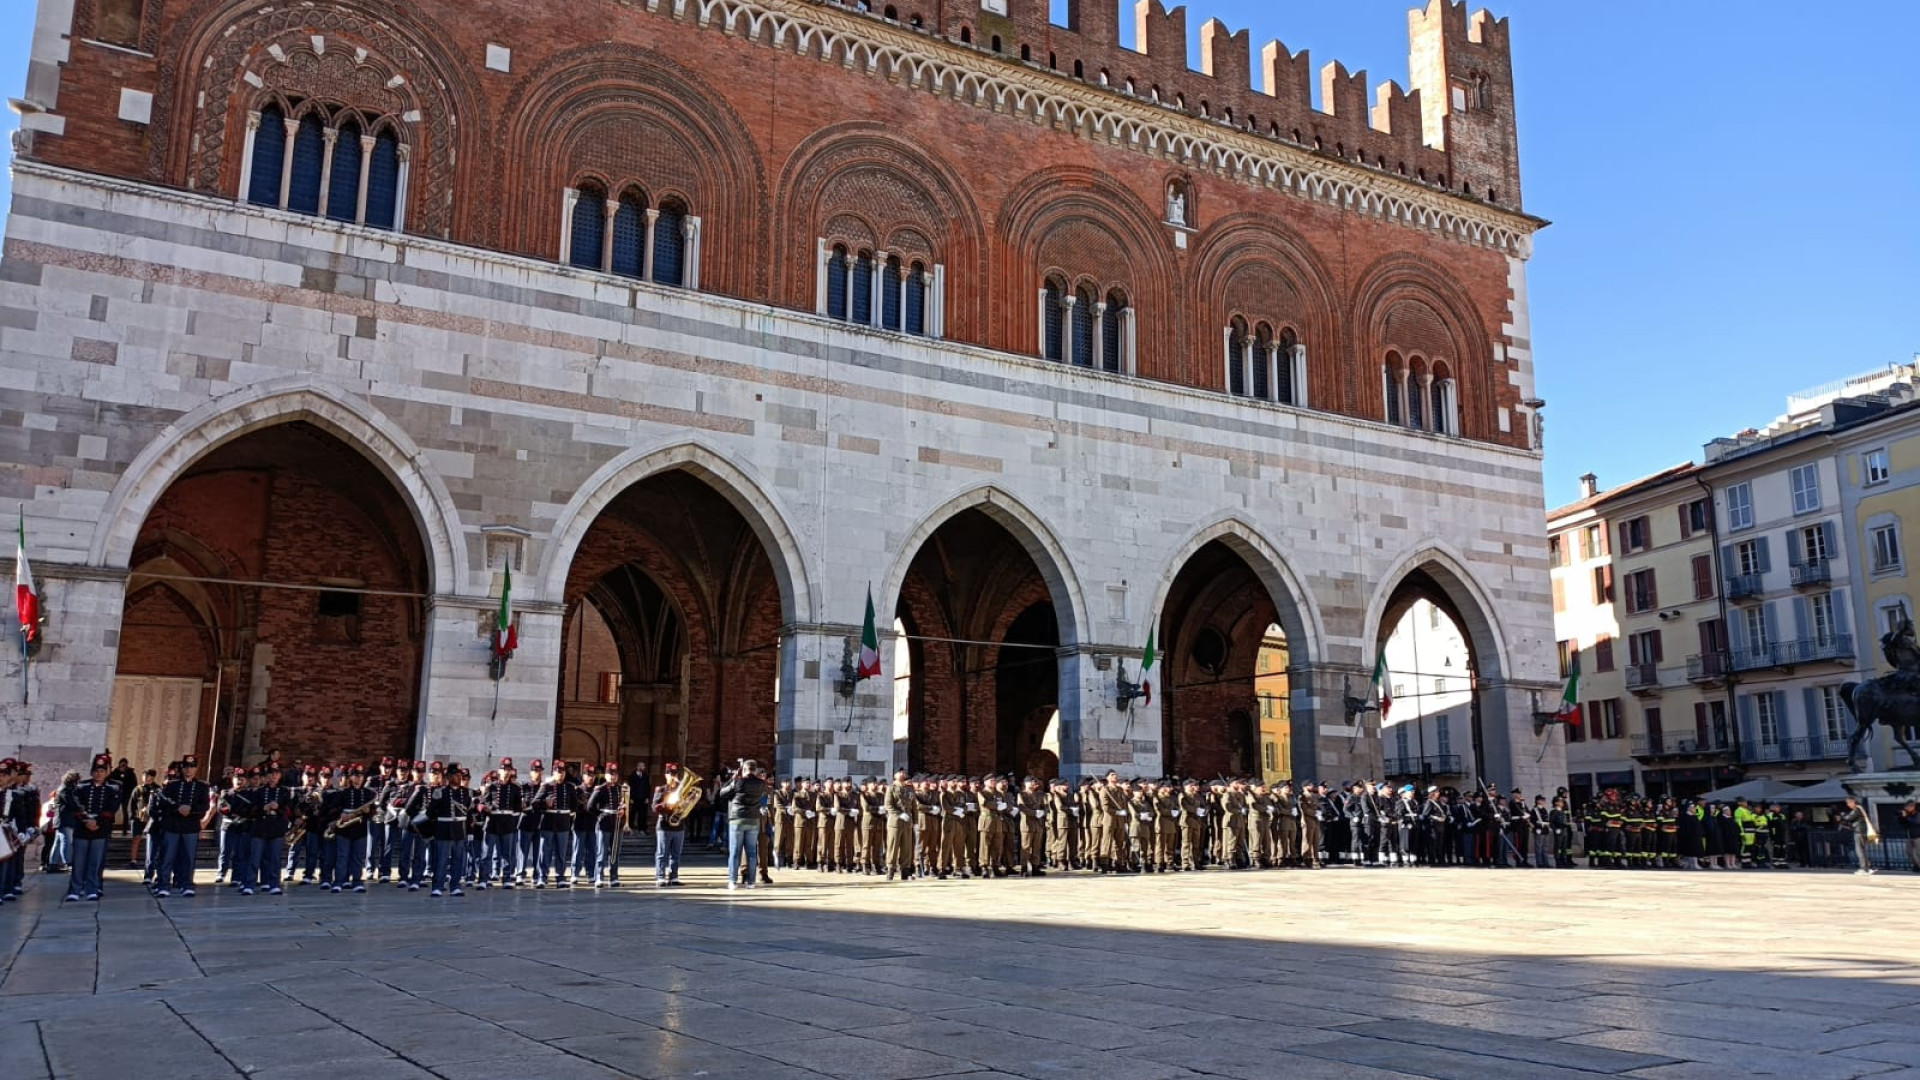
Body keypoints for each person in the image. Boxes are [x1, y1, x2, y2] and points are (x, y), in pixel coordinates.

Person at [63, 754, 120, 902]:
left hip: (100, 829)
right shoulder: (82, 787)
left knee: (95, 862)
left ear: (107, 772)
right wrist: (86, 820)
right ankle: (75, 890)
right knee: (78, 861)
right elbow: (74, 806)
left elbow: (111, 808)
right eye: (96, 771)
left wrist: (97, 821)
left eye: (102, 771)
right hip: (82, 829)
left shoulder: (113, 788)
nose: (98, 774)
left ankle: (92, 889)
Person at [155, 755, 212, 898]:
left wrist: (191, 809)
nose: (189, 770)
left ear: (196, 769)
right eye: (186, 767)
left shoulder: (201, 786)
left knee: (188, 857)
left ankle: (187, 884)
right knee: (168, 856)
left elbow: (204, 805)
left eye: (192, 767)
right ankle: (163, 884)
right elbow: (163, 804)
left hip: (190, 826)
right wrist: (177, 808)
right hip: (173, 825)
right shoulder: (172, 785)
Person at [715, 760, 768, 890]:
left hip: (737, 820)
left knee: (735, 852)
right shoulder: (761, 784)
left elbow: (722, 793)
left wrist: (733, 779)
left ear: (744, 769)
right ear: (755, 770)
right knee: (751, 852)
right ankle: (751, 882)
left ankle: (733, 881)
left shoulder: (738, 782)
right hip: (753, 820)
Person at [652, 763, 690, 886]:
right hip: (664, 825)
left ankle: (674, 876)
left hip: (679, 826)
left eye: (674, 774)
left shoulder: (683, 791)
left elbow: (688, 807)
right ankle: (660, 876)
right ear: (666, 775)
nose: (673, 777)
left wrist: (687, 801)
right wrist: (666, 804)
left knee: (676, 853)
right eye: (670, 774)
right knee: (662, 853)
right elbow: (654, 807)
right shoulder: (661, 789)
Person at [1837, 796, 1876, 875]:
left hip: (1859, 832)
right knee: (1862, 850)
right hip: (1861, 831)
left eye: (1848, 803)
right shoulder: (1861, 809)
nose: (1848, 805)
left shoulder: (1857, 810)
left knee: (1860, 851)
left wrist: (1842, 816)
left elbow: (1848, 818)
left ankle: (1864, 869)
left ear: (1853, 802)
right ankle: (1868, 867)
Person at [1902, 799, 1920, 873]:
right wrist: (1903, 818)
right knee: (1909, 851)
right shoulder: (1909, 814)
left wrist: (1906, 817)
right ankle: (1916, 865)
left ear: (1912, 807)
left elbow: (1917, 822)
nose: (1906, 809)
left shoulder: (1918, 813)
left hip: (1918, 836)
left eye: (1907, 808)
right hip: (1910, 836)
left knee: (1918, 853)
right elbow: (1905, 825)